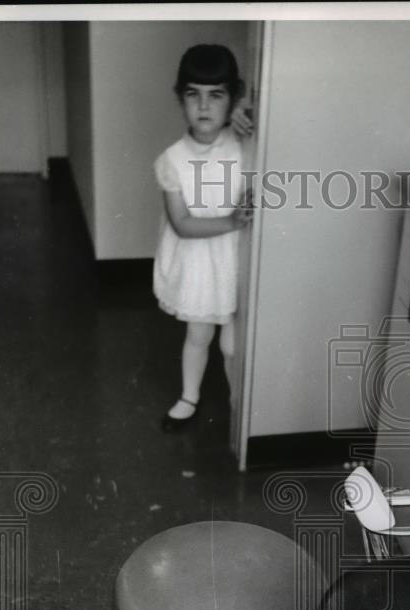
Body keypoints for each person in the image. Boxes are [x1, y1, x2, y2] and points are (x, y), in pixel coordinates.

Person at [153, 44, 254, 432]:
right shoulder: (172, 160)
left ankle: (237, 405)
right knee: (199, 333)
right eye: (193, 95)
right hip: (200, 260)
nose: (204, 107)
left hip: (236, 258)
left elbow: (270, 129)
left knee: (233, 343)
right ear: (181, 99)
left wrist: (248, 116)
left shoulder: (243, 143)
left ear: (233, 98)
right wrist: (232, 221)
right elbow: (181, 223)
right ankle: (189, 396)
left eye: (216, 96)